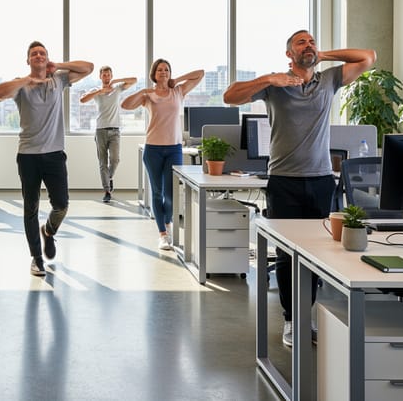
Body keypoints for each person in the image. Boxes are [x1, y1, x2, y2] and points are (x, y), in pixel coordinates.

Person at [222, 29, 375, 347]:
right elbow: (230, 96)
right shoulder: (274, 86)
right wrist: (270, 79)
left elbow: (368, 57)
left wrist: (323, 55)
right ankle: (292, 319)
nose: (309, 45)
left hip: (321, 180)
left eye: (312, 41)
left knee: (317, 252)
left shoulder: (329, 80)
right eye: (301, 43)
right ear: (288, 54)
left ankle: (306, 315)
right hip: (284, 181)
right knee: (286, 255)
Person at [0, 41, 93, 276]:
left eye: (42, 53)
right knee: (30, 208)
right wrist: (27, 79)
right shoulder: (21, 85)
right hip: (27, 155)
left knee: (61, 205)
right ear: (28, 60)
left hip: (55, 154)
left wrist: (58, 65)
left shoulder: (58, 79)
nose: (38, 56)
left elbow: (88, 67)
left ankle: (48, 231)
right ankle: (36, 258)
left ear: (47, 58)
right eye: (34, 54)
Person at [122, 60, 205, 251]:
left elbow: (200, 73)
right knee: (157, 192)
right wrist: (143, 92)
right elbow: (125, 105)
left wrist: (178, 79)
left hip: (174, 149)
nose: (163, 72)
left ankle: (167, 224)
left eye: (166, 69)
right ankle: (162, 234)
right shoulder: (148, 96)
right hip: (153, 149)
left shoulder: (178, 91)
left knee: (171, 194)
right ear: (153, 73)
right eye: (159, 70)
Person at [79, 66, 136, 202]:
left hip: (115, 130)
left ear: (111, 76)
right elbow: (82, 100)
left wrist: (117, 81)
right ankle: (107, 191)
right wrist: (100, 91)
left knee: (115, 159)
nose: (106, 77)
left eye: (109, 75)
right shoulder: (96, 91)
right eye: (104, 75)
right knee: (102, 162)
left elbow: (134, 80)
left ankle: (109, 177)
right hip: (100, 131)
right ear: (100, 76)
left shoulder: (117, 88)